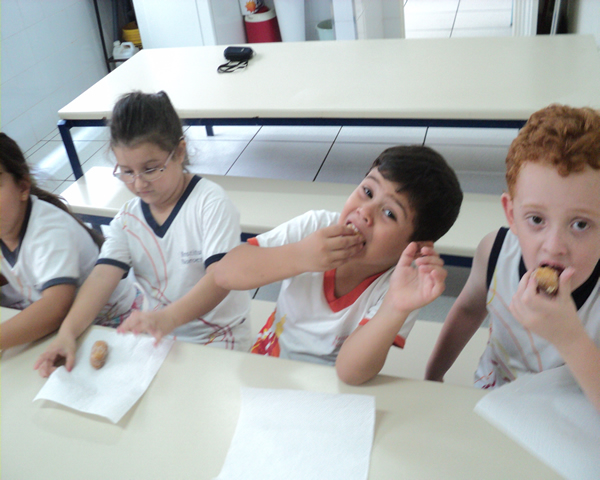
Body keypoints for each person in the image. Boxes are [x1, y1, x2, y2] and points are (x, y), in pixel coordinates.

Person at [34, 91, 250, 376]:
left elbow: (220, 280)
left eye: (150, 169)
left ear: (179, 152)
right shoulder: (128, 219)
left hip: (218, 337)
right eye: (126, 171)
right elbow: (101, 277)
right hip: (161, 337)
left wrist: (168, 318)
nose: (138, 184)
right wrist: (67, 332)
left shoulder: (210, 203)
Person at [213, 145, 463, 385]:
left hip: (330, 387)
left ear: (416, 247)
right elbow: (225, 273)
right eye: (367, 192)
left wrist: (394, 308)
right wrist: (300, 255)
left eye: (389, 213)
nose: (365, 211)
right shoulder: (314, 228)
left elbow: (350, 373)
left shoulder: (402, 286)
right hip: (268, 359)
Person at [425, 105, 600, 413]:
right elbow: (468, 311)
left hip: (575, 419)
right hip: (495, 399)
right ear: (512, 214)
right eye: (536, 220)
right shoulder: (494, 253)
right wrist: (433, 376)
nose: (554, 247)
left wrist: (571, 339)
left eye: (581, 224)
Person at [0, 133, 137, 353]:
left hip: (110, 321)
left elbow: (55, 308)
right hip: (65, 327)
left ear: (23, 187)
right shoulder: (6, 226)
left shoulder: (47, 230)